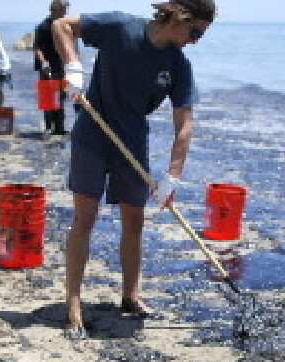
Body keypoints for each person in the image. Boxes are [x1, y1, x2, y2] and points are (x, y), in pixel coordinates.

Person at [53, 0, 215, 338]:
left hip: (133, 141)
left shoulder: (178, 65)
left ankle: (129, 296)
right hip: (92, 135)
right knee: (84, 219)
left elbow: (184, 125)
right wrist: (73, 68)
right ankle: (73, 302)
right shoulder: (119, 27)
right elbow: (62, 26)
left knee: (134, 221)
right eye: (196, 33)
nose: (196, 41)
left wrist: (172, 176)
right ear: (180, 16)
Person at [34, 0, 72, 136]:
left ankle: (60, 128)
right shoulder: (43, 27)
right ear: (54, 10)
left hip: (60, 66)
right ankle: (49, 128)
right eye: (63, 9)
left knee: (60, 98)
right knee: (48, 98)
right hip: (47, 67)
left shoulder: (63, 25)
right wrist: (44, 63)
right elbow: (37, 49)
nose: (65, 12)